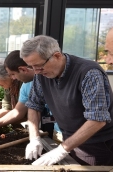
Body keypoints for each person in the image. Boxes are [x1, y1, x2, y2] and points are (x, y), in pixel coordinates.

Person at [21, 35, 113, 166]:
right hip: (69, 139)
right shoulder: (41, 75)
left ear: (57, 56)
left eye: (39, 66)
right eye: (31, 67)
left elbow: (97, 119)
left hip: (96, 144)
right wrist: (34, 138)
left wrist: (62, 149)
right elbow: (34, 105)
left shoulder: (88, 72)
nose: (36, 72)